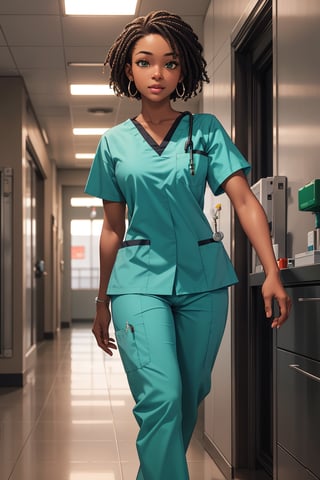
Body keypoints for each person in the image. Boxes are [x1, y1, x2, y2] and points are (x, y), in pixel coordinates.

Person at [85, 10, 291, 480]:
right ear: (128, 69)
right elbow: (113, 228)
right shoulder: (112, 143)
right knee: (163, 395)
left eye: (170, 63)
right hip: (137, 281)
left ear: (184, 70)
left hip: (204, 279)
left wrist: (272, 271)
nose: (157, 73)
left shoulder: (207, 130)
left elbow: (243, 202)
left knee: (192, 388)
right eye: (145, 62)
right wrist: (101, 300)